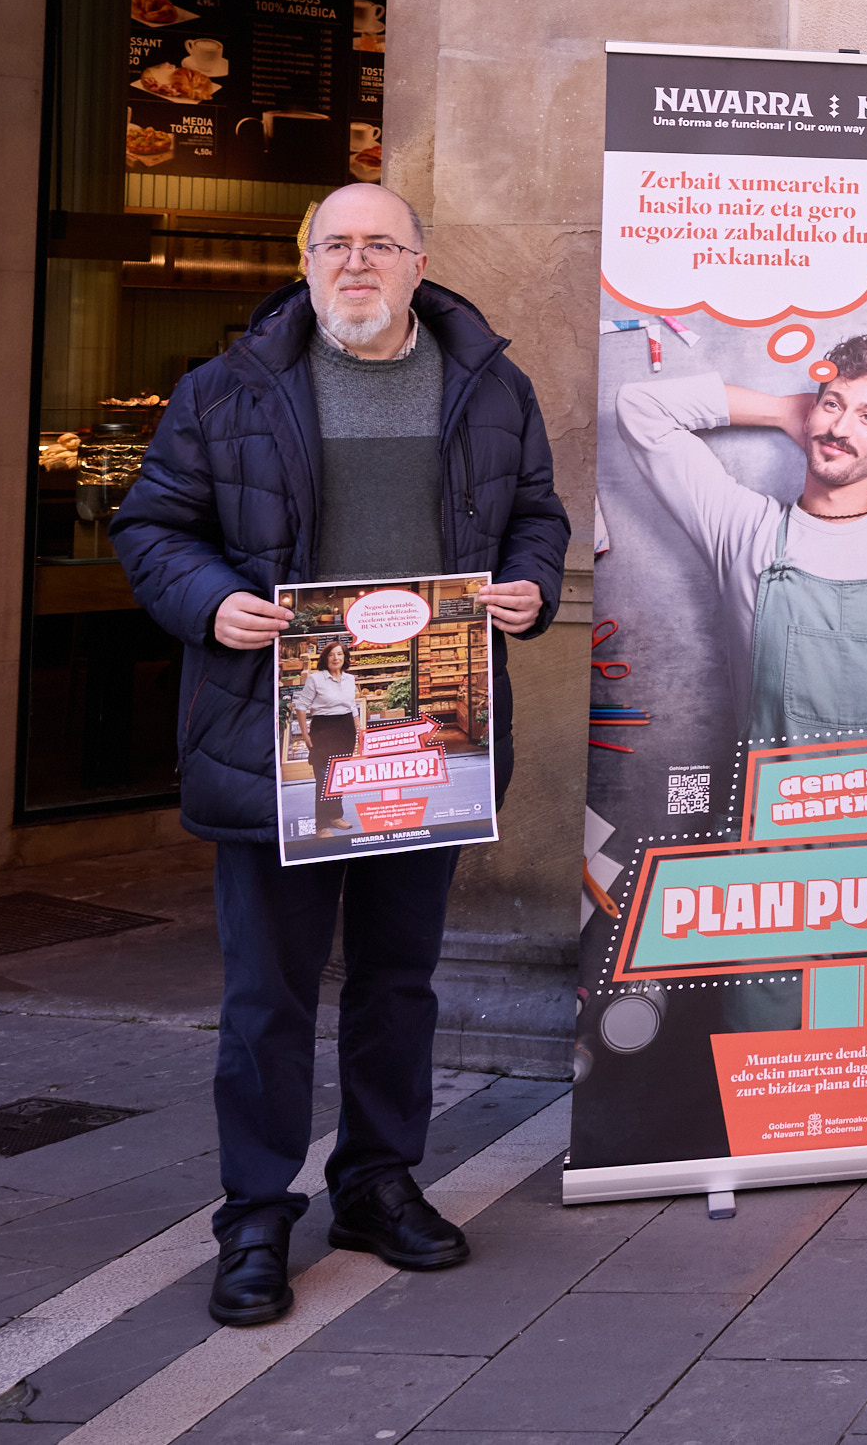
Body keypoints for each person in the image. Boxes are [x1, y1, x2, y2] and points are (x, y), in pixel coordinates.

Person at [112, 184, 567, 1328]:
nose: (355, 261)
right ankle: (255, 1215)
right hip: (285, 731)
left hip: (430, 726)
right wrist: (210, 599)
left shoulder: (490, 384)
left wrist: (531, 583)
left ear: (419, 261)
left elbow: (536, 513)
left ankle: (375, 1182)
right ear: (306, 259)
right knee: (267, 993)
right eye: (335, 244)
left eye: (379, 243)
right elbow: (152, 525)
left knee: (397, 979)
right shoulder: (227, 388)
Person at [616, 328, 867, 743]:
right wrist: (781, 410)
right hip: (775, 790)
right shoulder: (743, 529)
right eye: (833, 405)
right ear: (810, 415)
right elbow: (641, 408)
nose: (840, 429)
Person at [294, 644, 365, 833]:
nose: (336, 658)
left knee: (338, 776)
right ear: (325, 658)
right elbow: (301, 706)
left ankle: (335, 816)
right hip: (323, 730)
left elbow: (352, 706)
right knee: (324, 778)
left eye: (340, 654)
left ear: (345, 657)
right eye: (332, 655)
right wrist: (305, 734)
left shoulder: (350, 679)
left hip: (345, 730)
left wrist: (358, 731)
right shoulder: (316, 679)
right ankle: (322, 825)